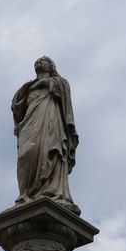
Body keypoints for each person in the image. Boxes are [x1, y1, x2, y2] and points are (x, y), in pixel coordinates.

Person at [11, 56, 80, 215]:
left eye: (43, 60)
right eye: (37, 61)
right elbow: (16, 108)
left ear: (51, 67)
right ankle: (26, 194)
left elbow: (64, 90)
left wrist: (46, 83)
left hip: (50, 120)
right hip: (30, 122)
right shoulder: (28, 87)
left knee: (48, 150)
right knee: (25, 154)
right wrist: (25, 89)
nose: (39, 62)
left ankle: (51, 190)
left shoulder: (59, 82)